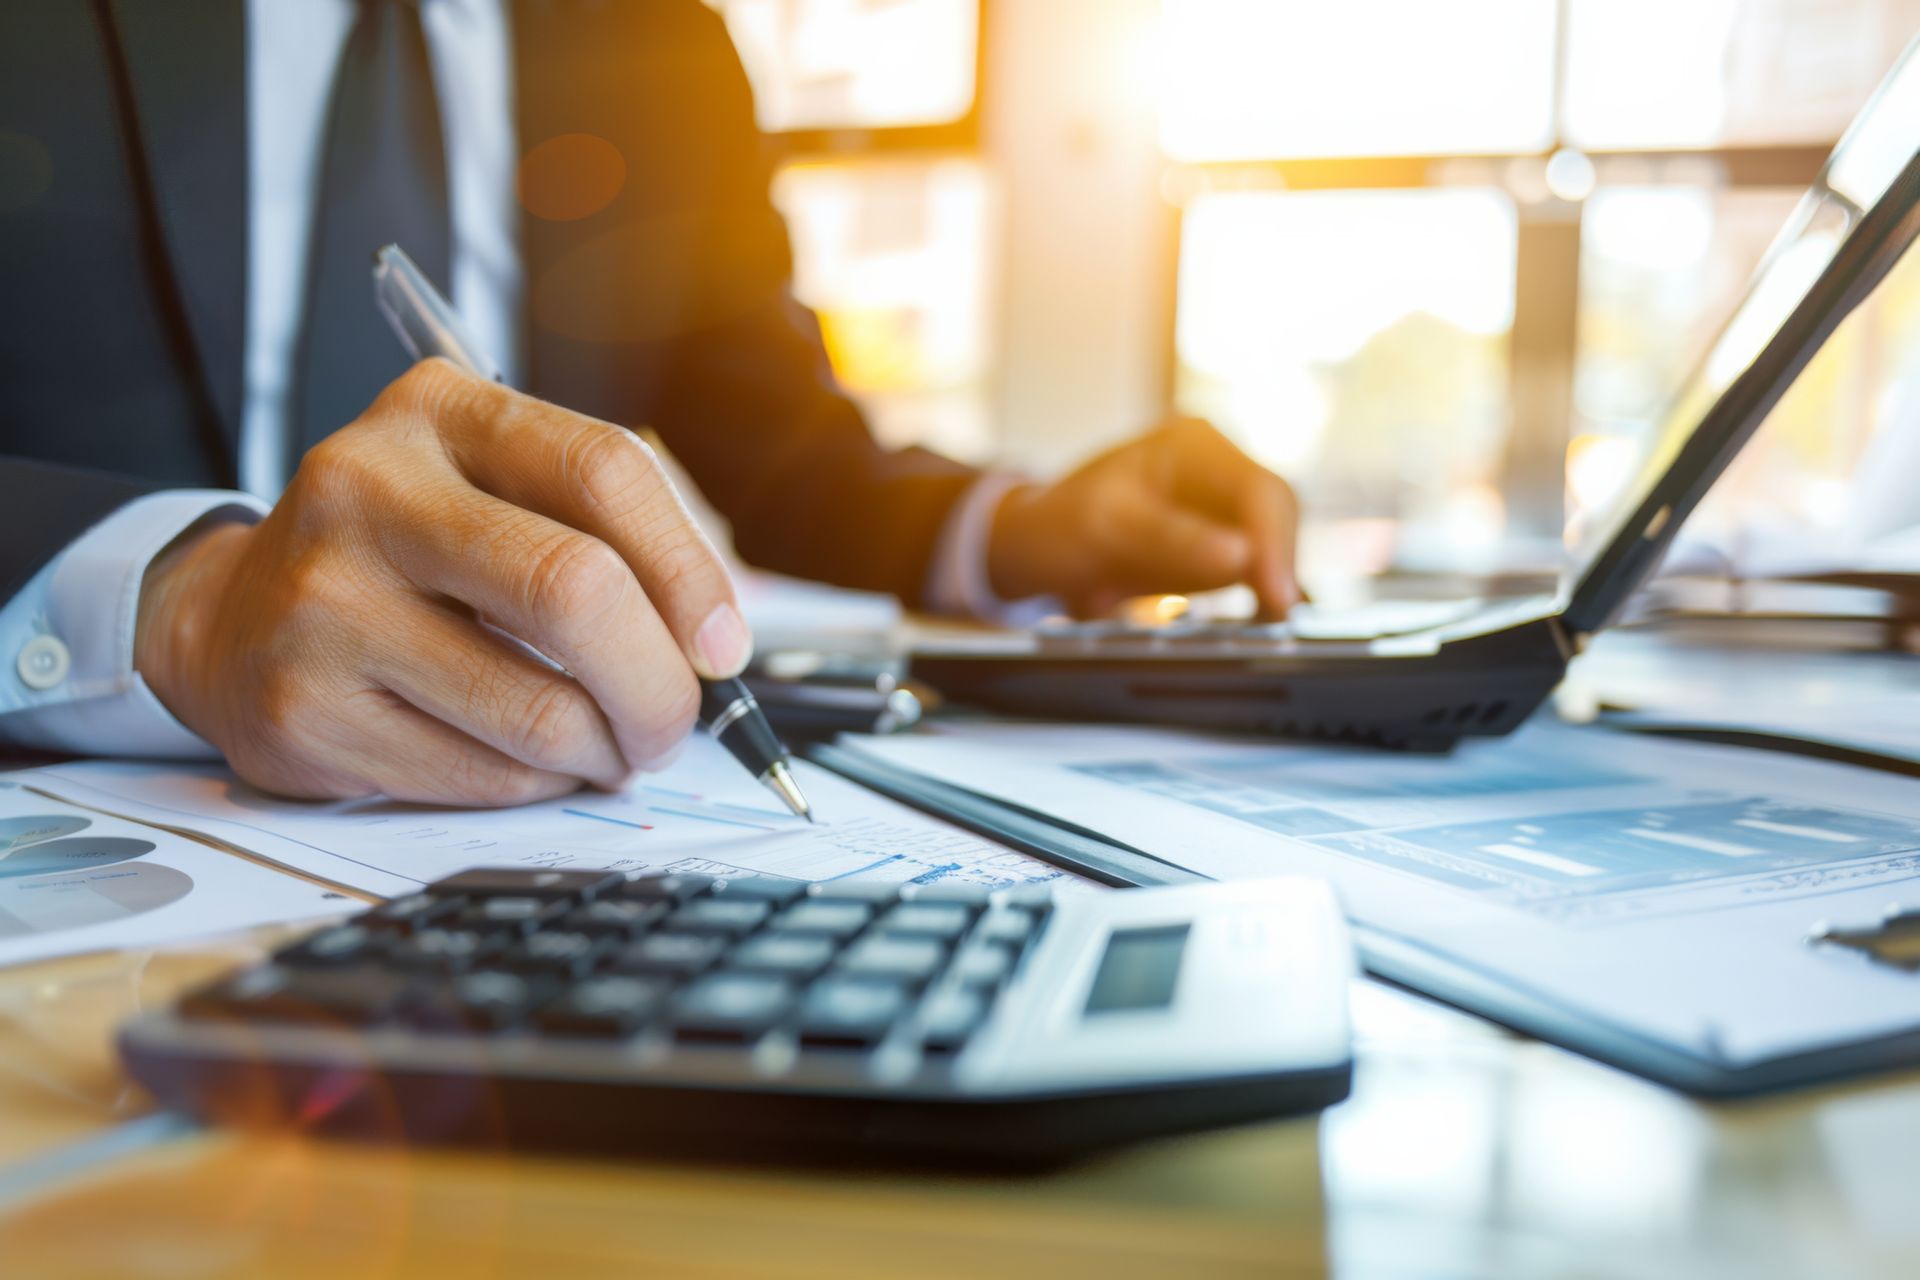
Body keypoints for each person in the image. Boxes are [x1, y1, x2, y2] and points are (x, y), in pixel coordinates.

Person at [0, 0, 1298, 806]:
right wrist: (180, 605)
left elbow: (783, 443)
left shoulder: (663, 41)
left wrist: (1018, 528)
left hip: (506, 814)